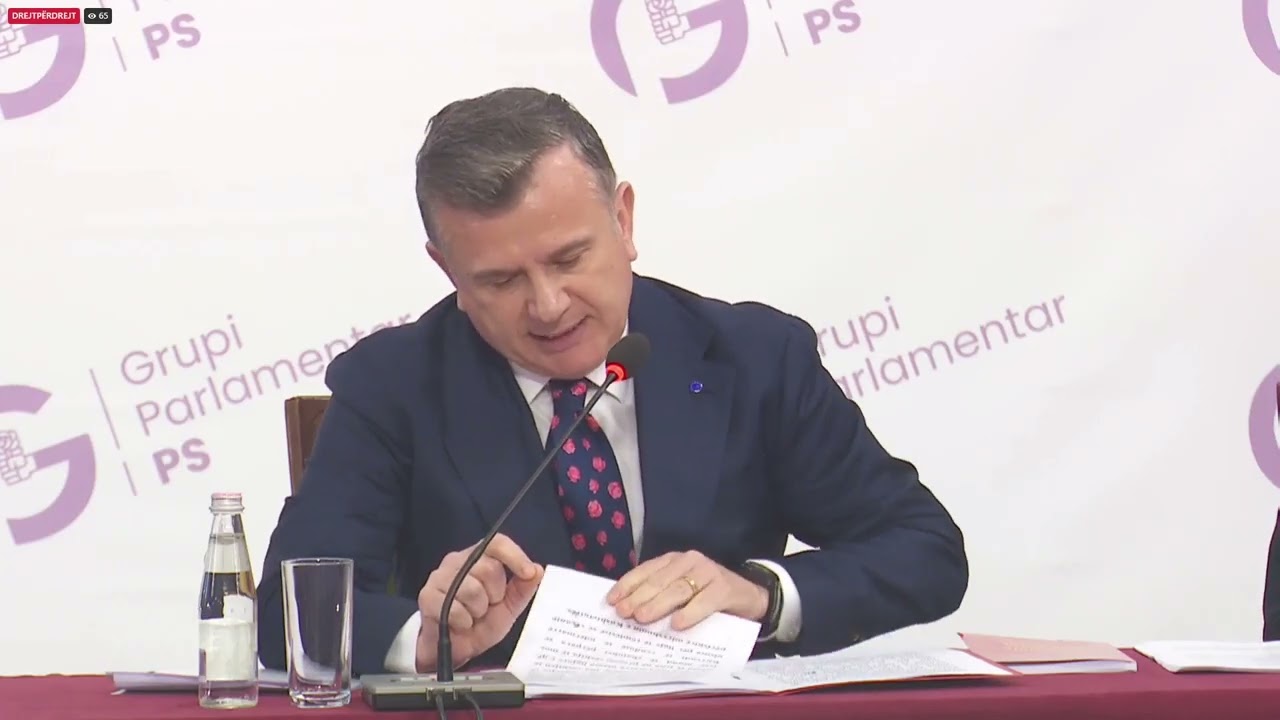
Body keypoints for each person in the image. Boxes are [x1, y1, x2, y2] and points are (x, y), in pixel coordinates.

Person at [256, 87, 969, 676]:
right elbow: (286, 617)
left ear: (623, 220)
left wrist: (758, 593)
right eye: (501, 280)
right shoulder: (394, 385)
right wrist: (425, 636)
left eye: (568, 259)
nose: (548, 306)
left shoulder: (753, 356)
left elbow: (924, 549)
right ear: (448, 272)